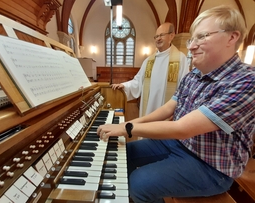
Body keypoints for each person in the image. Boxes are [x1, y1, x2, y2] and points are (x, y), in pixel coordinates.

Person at [97, 5, 255, 203]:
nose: (191, 46)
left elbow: (182, 128)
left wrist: (128, 127)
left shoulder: (246, 81)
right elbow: (169, 107)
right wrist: (128, 125)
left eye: (202, 36)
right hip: (179, 144)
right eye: (192, 39)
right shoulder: (194, 75)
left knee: (139, 182)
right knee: (123, 154)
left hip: (212, 166)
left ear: (232, 38)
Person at [111, 22, 189, 117]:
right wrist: (124, 86)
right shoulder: (149, 61)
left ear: (171, 36)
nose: (158, 39)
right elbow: (138, 82)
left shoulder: (181, 59)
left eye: (161, 35)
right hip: (148, 110)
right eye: (156, 36)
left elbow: (184, 89)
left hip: (167, 113)